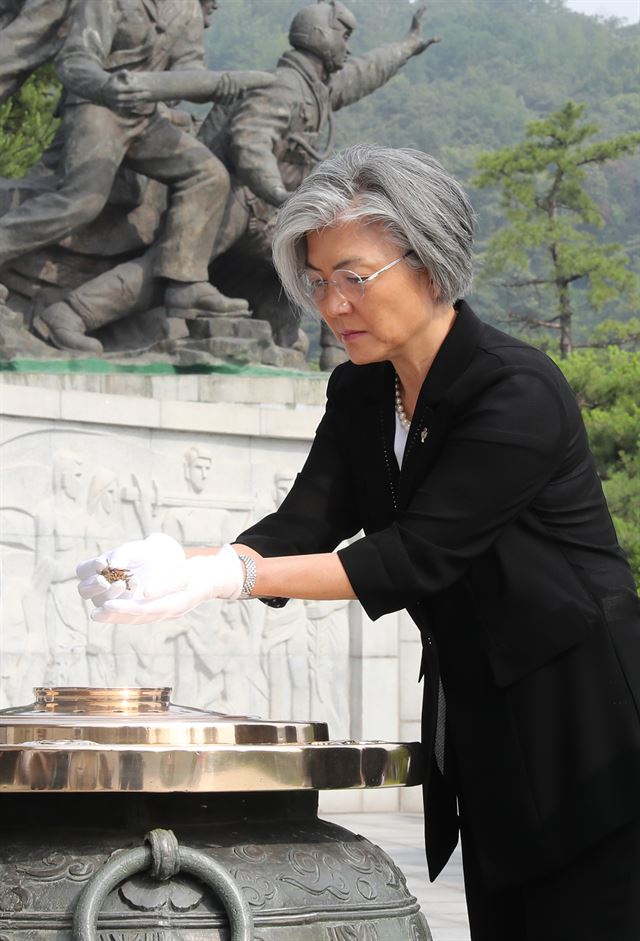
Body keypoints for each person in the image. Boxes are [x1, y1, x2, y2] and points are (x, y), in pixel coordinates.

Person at [76, 144, 640, 940]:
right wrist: (189, 562)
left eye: (355, 274)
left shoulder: (516, 390)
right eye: (318, 280)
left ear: (432, 263)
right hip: (484, 726)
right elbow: (307, 519)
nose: (333, 302)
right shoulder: (364, 388)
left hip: (588, 730)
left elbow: (415, 556)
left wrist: (224, 580)